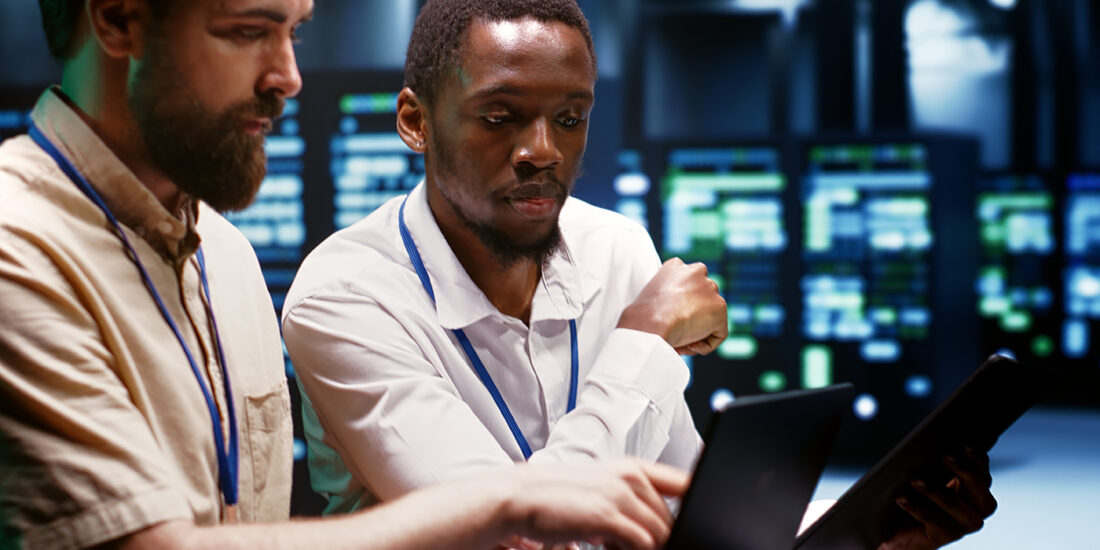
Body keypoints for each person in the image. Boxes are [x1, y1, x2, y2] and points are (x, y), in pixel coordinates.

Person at [281, 1, 999, 549]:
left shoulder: (616, 247)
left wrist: (871, 525)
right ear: (415, 120)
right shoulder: (345, 294)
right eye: (501, 116)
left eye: (569, 118)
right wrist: (644, 340)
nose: (543, 151)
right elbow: (511, 528)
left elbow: (686, 509)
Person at [0, 1, 693, 549]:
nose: (287, 78)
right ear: (120, 19)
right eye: (248, 31)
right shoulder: (17, 247)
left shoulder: (226, 256)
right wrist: (508, 502)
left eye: (295, 34)